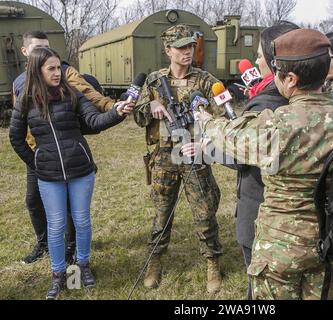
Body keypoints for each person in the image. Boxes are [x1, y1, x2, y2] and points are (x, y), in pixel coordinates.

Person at [197, 29, 333, 300]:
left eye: (277, 72)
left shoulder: (273, 125)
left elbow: (226, 135)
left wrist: (205, 120)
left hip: (280, 250)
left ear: (290, 79)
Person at [9, 47, 133, 300]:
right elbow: (15, 137)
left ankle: (82, 266)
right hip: (48, 176)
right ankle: (58, 275)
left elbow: (95, 121)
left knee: (81, 220)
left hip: (81, 170)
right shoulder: (25, 100)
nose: (58, 73)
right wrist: (36, 162)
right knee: (56, 226)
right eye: (51, 69)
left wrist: (116, 113)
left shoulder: (72, 93)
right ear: (37, 70)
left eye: (59, 68)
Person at [12, 31, 117, 265]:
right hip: (40, 155)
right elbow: (17, 132)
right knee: (34, 202)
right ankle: (45, 245)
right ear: (26, 53)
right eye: (38, 48)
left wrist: (114, 107)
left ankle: (72, 250)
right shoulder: (20, 84)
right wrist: (36, 159)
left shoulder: (67, 77)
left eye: (47, 47)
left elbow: (89, 96)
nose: (45, 52)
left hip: (70, 156)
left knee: (74, 212)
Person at [133, 24, 223, 294]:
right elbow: (137, 115)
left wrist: (204, 143)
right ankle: (155, 261)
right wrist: (151, 105)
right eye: (181, 47)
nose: (188, 51)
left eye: (190, 46)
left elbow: (222, 119)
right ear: (167, 50)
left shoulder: (206, 81)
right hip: (163, 157)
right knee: (161, 213)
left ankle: (212, 262)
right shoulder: (153, 80)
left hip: (196, 154)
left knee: (205, 211)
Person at [224, 21, 298, 300]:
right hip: (298, 219)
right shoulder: (306, 96)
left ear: (275, 60)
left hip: (261, 208)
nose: (255, 61)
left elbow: (242, 159)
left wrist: (214, 143)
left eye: (259, 55)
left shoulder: (266, 104)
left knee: (260, 287)